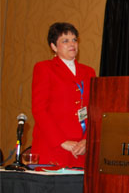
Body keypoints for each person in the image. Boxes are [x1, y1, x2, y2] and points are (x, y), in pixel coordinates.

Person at [31, 22, 96, 168]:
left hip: (80, 150)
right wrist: (62, 142)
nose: (72, 44)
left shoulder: (89, 72)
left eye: (74, 39)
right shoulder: (44, 68)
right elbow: (39, 110)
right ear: (53, 46)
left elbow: (93, 110)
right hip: (53, 147)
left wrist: (87, 140)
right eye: (65, 41)